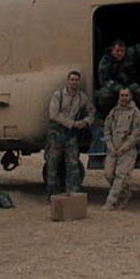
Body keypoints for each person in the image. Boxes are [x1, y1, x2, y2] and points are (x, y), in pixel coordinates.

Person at [46, 70, 96, 198]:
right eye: (72, 79)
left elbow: (91, 112)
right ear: (68, 81)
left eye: (76, 80)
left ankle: (73, 192)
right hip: (56, 133)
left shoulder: (82, 98)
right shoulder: (58, 95)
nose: (74, 82)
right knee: (53, 164)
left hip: (71, 134)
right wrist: (72, 123)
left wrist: (85, 122)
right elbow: (53, 114)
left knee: (73, 164)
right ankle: (52, 192)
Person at [95, 30, 140, 114]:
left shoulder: (129, 53)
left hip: (129, 84)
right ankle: (110, 116)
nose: (120, 53)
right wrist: (120, 89)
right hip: (113, 87)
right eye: (117, 51)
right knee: (104, 95)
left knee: (138, 91)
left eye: (122, 51)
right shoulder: (105, 61)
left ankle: (135, 113)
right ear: (112, 50)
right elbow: (104, 80)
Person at [102, 87, 140, 211]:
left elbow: (136, 134)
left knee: (121, 175)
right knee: (108, 174)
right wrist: (110, 146)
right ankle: (125, 193)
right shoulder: (114, 112)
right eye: (122, 95)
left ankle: (110, 202)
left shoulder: (136, 113)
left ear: (130, 97)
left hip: (127, 150)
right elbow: (107, 130)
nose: (124, 98)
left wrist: (123, 148)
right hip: (113, 149)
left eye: (126, 95)